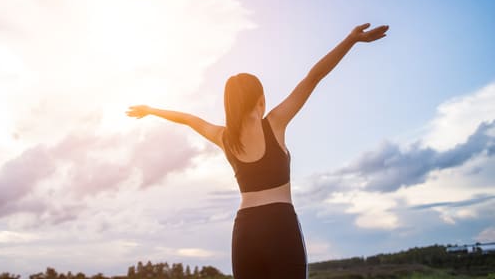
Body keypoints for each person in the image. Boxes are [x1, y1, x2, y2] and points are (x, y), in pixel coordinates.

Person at [126, 23, 389, 278]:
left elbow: (188, 118)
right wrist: (350, 40)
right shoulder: (275, 123)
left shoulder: (224, 137)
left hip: (245, 231)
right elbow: (314, 77)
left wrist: (150, 110)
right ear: (261, 100)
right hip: (280, 226)